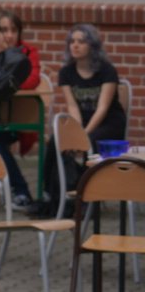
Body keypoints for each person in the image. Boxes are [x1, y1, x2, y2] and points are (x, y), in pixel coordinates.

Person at [33, 23, 129, 215]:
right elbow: (72, 106)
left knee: (91, 141)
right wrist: (76, 133)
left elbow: (103, 108)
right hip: (83, 122)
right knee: (56, 141)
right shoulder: (66, 72)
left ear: (92, 46)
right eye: (72, 41)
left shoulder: (107, 70)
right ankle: (51, 194)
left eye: (81, 42)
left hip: (109, 122)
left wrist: (83, 136)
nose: (75, 46)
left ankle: (88, 198)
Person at [0, 9, 42, 211]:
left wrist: (2, 84)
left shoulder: (28, 52)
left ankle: (20, 191)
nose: (9, 35)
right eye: (3, 30)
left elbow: (32, 79)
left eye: (13, 30)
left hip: (20, 121)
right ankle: (15, 189)